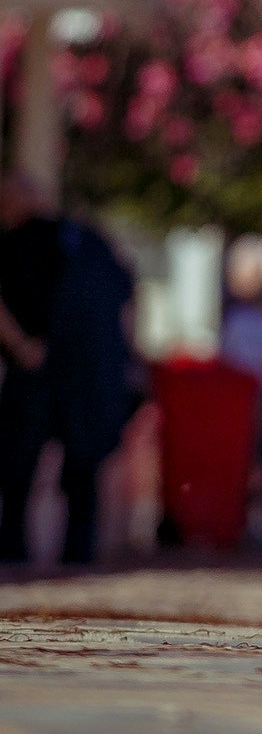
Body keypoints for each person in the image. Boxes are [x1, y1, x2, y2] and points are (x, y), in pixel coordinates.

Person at [0, 172, 137, 568]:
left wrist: (21, 346)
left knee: (18, 467)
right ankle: (78, 555)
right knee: (81, 469)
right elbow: (126, 299)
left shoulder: (16, 242)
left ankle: (14, 553)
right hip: (87, 371)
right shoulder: (87, 240)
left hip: (38, 370)